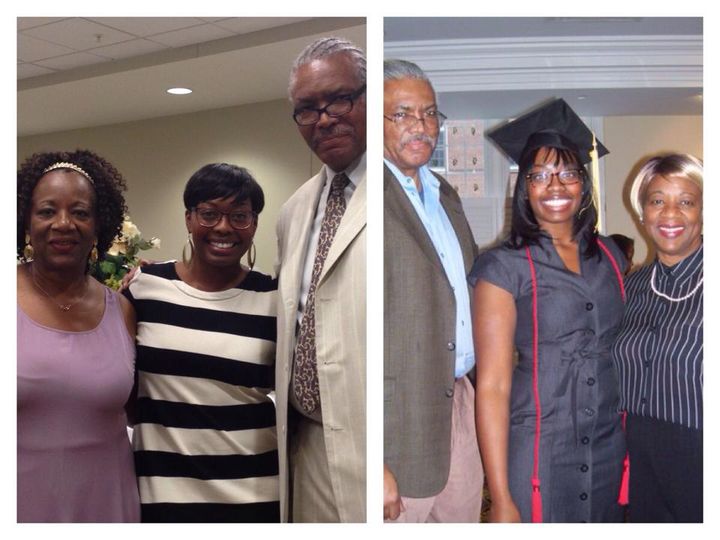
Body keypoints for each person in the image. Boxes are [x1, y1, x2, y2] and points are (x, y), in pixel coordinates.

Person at [470, 99, 628, 523]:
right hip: (540, 448)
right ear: (524, 187)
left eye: (567, 174)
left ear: (584, 184)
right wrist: (500, 495)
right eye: (539, 175)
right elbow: (493, 387)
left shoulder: (613, 256)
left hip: (610, 445)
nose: (554, 186)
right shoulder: (502, 267)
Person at [124, 163, 279, 522]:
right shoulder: (145, 286)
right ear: (189, 218)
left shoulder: (274, 298)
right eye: (209, 214)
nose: (224, 227)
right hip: (162, 493)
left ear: (254, 224)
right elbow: (120, 383)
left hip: (254, 493)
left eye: (239, 216)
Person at [383, 59, 483, 523]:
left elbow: (465, 280)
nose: (420, 126)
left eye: (429, 114)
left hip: (459, 398)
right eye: (402, 114)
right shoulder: (361, 194)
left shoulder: (444, 192)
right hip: (397, 421)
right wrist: (374, 461)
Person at [17, 150, 140, 522]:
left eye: (80, 212)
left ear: (99, 225)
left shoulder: (123, 310)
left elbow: (138, 409)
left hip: (108, 503)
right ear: (25, 220)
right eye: (47, 210)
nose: (63, 223)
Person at [275, 36, 366, 523]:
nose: (325, 117)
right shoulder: (294, 210)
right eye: (307, 109)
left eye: (340, 99)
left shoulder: (405, 196)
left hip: (376, 443)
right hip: (307, 443)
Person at [612, 154, 703, 522]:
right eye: (658, 200)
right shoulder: (627, 287)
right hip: (633, 457)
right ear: (642, 212)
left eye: (686, 201)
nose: (670, 214)